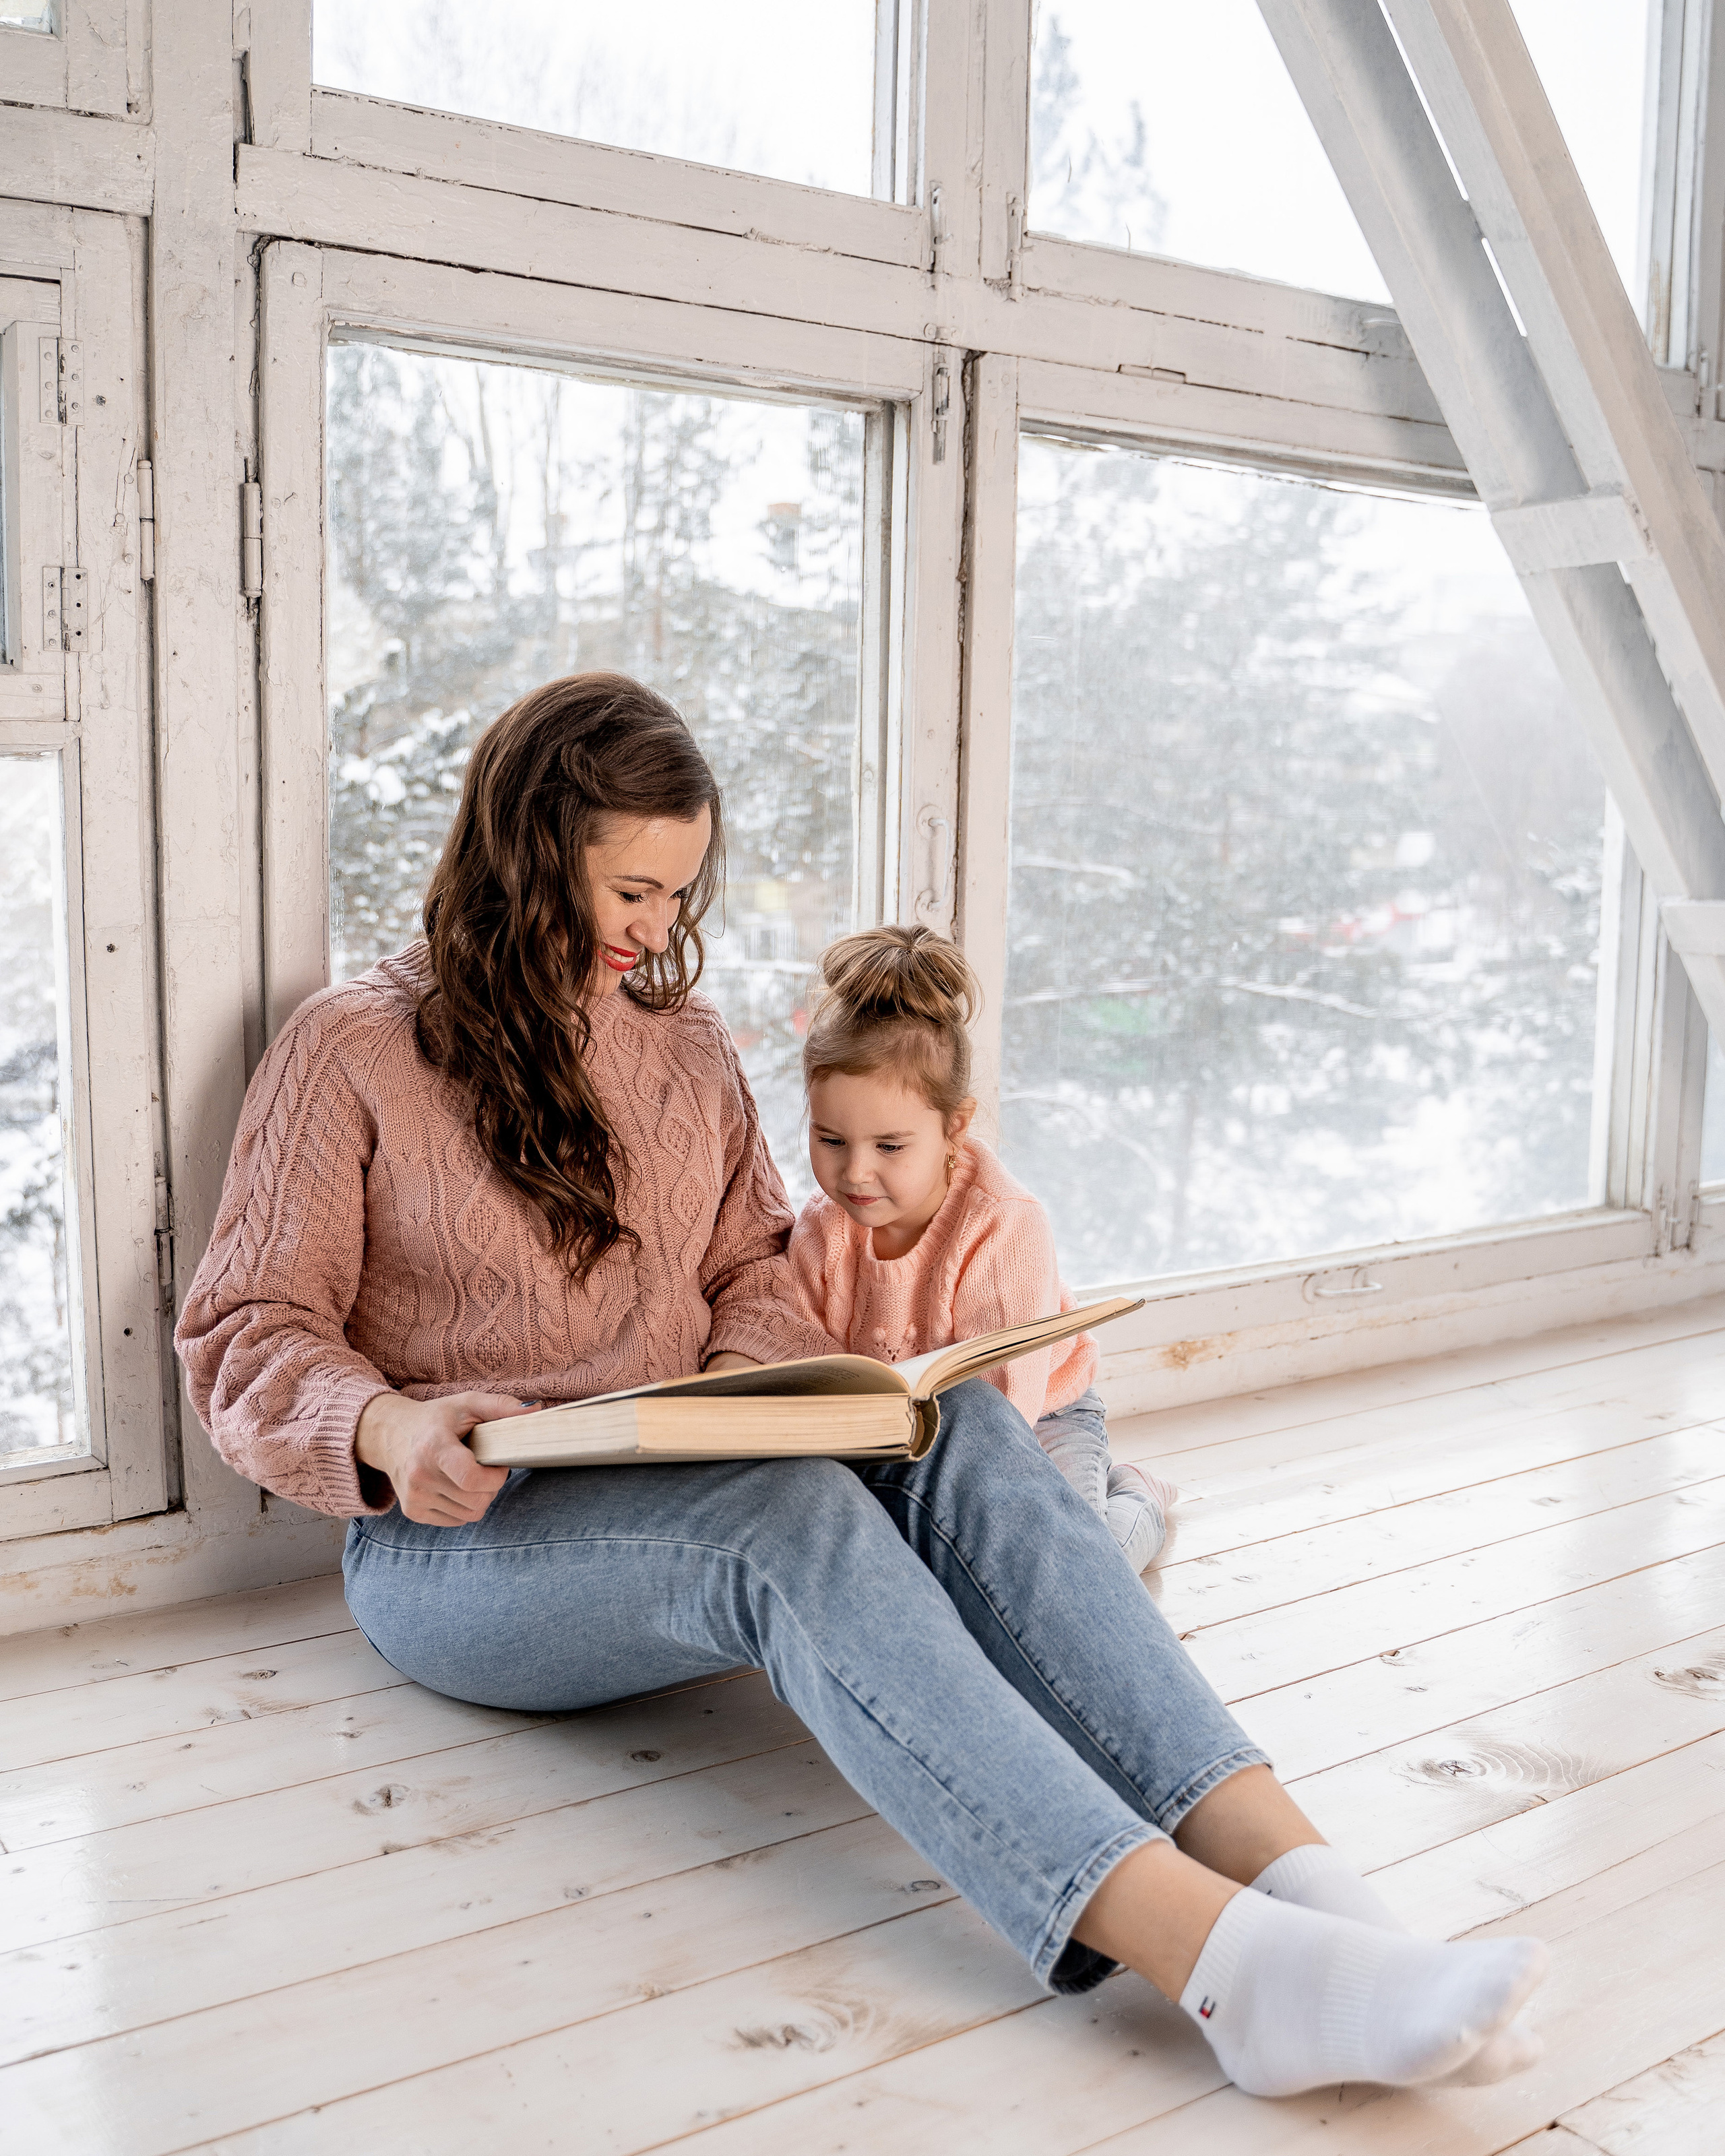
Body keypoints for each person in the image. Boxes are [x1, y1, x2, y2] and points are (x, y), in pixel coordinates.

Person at [175, 670, 1546, 2099]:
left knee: (949, 1422)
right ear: (524, 856)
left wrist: (738, 1385)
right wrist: (389, 1424)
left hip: (667, 1476)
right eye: (629, 891)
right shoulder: (349, 1049)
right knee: (788, 1524)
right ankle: (1230, 1971)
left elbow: (752, 1270)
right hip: (453, 1545)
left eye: (676, 895)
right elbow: (244, 1330)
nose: (652, 931)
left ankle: (1321, 1895)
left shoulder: (684, 1047)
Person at [788, 924, 1174, 1572]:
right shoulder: (824, 1230)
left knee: (1080, 1568)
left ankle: (1141, 1500)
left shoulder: (1004, 1224)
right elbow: (807, 1365)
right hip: (893, 1436)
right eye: (831, 1140)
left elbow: (1003, 1410)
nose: (854, 1173)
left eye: (889, 1147)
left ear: (954, 1128)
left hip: (1038, 1412)